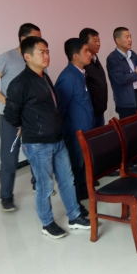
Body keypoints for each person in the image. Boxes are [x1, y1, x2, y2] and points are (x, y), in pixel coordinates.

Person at [4, 36, 90, 239]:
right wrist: (27, 127)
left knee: (67, 180)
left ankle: (74, 216)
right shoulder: (20, 84)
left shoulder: (44, 77)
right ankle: (47, 223)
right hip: (38, 143)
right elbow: (11, 114)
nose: (46, 55)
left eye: (48, 51)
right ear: (27, 56)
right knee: (45, 185)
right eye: (41, 52)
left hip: (57, 140)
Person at [0, 23, 45, 212]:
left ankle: (37, 184)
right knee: (9, 157)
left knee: (36, 152)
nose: (40, 42)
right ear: (23, 39)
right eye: (35, 37)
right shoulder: (7, 57)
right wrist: (9, 103)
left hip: (32, 116)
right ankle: (6, 196)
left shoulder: (35, 57)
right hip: (10, 117)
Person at [54, 38, 93, 209]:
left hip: (83, 130)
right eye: (86, 51)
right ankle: (75, 202)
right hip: (74, 132)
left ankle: (83, 191)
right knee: (75, 166)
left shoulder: (80, 73)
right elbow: (60, 109)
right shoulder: (68, 77)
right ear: (75, 56)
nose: (90, 54)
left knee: (83, 164)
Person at [80, 28, 108, 128]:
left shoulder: (95, 58)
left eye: (99, 40)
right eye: (95, 41)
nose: (98, 44)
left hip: (100, 109)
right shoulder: (83, 63)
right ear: (85, 43)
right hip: (91, 112)